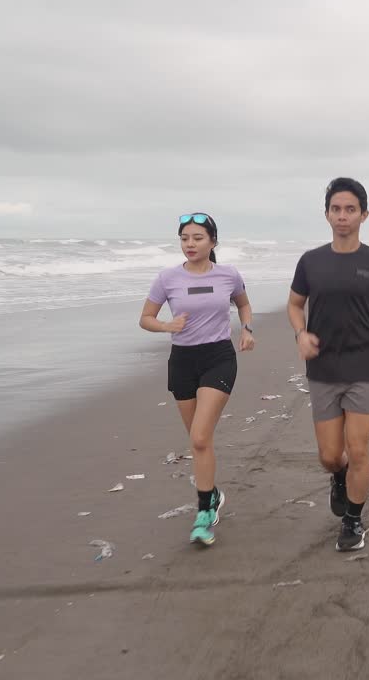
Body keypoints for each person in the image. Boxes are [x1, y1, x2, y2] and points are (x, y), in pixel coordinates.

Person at [287, 178, 369, 551]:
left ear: (364, 214)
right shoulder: (311, 261)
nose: (342, 216)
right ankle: (339, 476)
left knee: (358, 449)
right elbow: (295, 304)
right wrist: (300, 333)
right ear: (326, 214)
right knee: (331, 456)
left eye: (350, 209)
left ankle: (353, 520)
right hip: (323, 366)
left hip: (364, 364)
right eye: (336, 209)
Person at [140, 213, 254, 546]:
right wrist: (166, 326)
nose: (190, 244)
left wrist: (247, 329)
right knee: (196, 439)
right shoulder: (167, 278)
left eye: (198, 238)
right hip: (183, 361)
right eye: (185, 238)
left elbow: (244, 305)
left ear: (213, 242)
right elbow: (146, 318)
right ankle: (213, 492)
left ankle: (204, 513)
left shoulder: (228, 275)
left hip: (218, 358)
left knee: (201, 438)